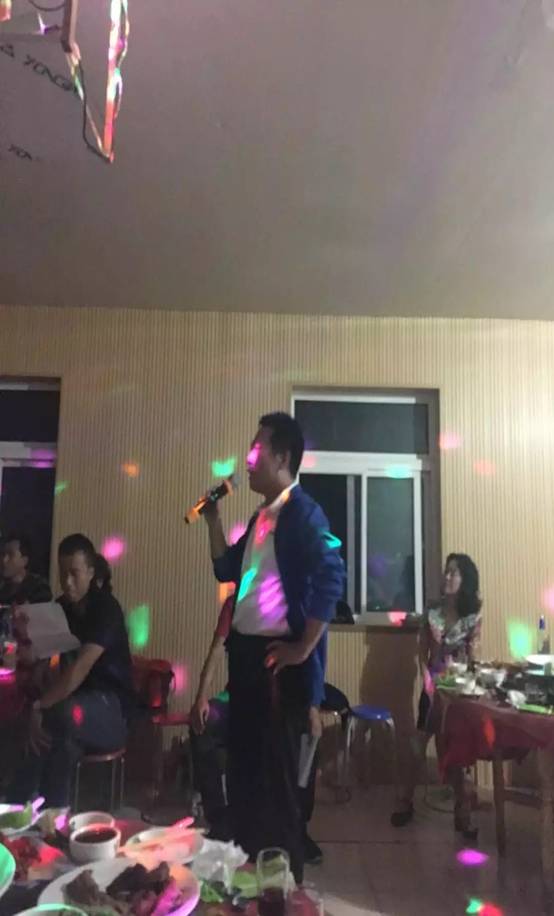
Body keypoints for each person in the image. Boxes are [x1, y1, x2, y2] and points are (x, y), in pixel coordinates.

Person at [203, 411, 345, 882]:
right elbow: (226, 569)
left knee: (278, 791)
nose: (248, 460)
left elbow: (332, 577)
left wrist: (302, 649)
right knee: (244, 779)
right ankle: (249, 885)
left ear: (282, 458)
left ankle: (285, 894)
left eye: (256, 450)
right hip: (246, 661)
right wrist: (213, 519)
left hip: (276, 667)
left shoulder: (303, 512)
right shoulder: (262, 516)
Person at [189, 594, 325, 864]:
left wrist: (313, 705)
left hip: (286, 702)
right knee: (203, 726)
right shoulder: (236, 603)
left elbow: (314, 657)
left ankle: (299, 828)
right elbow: (216, 650)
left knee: (305, 741)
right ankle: (220, 818)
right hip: (240, 698)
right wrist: (201, 696)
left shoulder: (296, 601)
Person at [7, 533, 135, 807]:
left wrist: (40, 706)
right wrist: (27, 639)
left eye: (74, 573)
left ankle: (22, 804)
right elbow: (44, 662)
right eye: (63, 573)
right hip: (76, 711)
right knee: (57, 739)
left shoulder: (106, 609)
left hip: (112, 710)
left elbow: (79, 669)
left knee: (60, 714)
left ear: (90, 572)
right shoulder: (61, 608)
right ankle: (33, 810)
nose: (67, 582)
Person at [391, 553, 482, 837]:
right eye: (447, 571)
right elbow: (422, 651)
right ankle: (405, 802)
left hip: (458, 691)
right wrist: (427, 680)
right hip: (432, 687)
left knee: (458, 750)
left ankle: (462, 815)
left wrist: (468, 683)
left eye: (454, 573)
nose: (448, 577)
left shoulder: (472, 615)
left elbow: (473, 656)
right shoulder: (432, 611)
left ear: (465, 580)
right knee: (418, 745)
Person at [0, 533, 52, 606]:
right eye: (3, 554)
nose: (4, 560)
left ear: (24, 560)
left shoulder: (39, 588)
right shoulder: (2, 586)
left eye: (10, 554)